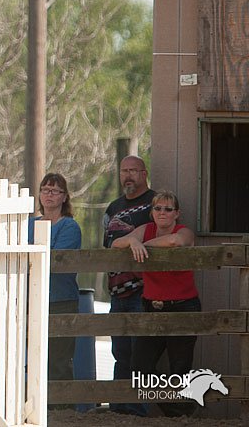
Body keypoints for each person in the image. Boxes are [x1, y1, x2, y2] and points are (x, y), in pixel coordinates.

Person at [112, 190, 199, 417]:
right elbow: (116, 244)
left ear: (176, 214)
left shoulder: (184, 231)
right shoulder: (145, 229)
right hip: (151, 306)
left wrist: (143, 246)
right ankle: (178, 412)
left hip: (183, 306)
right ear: (151, 212)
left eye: (168, 209)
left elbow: (175, 241)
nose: (162, 213)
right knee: (140, 368)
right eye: (158, 208)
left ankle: (180, 415)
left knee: (179, 368)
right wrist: (132, 240)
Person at [102, 155, 155, 416]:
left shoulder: (155, 203)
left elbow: (163, 233)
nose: (128, 176)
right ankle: (118, 404)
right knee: (120, 350)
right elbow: (106, 245)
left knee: (140, 351)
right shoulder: (113, 207)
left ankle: (138, 408)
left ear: (144, 173)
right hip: (116, 289)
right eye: (124, 171)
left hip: (144, 289)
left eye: (134, 170)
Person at [28, 173, 82, 394]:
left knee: (59, 358)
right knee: (33, 357)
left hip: (60, 300)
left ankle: (62, 407)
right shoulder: (28, 224)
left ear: (64, 197)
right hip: (31, 299)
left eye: (55, 191)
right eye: (45, 189)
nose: (49, 195)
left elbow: (55, 259)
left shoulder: (69, 226)